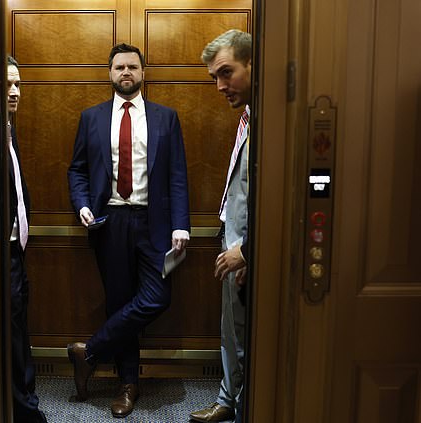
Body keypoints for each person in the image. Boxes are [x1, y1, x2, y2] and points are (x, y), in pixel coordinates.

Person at [67, 43, 191, 418]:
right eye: (119, 67)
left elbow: (177, 175)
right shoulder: (91, 118)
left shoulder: (166, 118)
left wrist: (181, 225)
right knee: (120, 302)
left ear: (142, 72)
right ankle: (127, 384)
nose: (126, 72)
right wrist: (83, 204)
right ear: (109, 73)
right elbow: (77, 170)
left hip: (154, 224)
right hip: (109, 222)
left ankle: (88, 352)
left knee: (156, 298)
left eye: (132, 67)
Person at [189, 29, 252, 423]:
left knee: (246, 336)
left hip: (246, 250)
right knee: (231, 332)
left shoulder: (273, 123)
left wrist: (247, 251)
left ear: (252, 64)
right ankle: (228, 400)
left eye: (226, 73)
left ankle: (242, 405)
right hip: (231, 244)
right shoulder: (246, 117)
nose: (219, 85)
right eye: (214, 76)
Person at [6, 55, 48, 423]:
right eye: (7, 85)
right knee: (12, 333)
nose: (15, 92)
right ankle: (24, 411)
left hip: (16, 250)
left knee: (19, 326)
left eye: (19, 84)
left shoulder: (8, 127)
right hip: (0, 252)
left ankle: (26, 399)